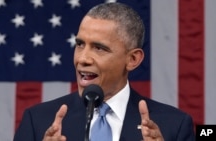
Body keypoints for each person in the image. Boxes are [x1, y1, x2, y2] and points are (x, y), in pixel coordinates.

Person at [13, 2, 195, 141]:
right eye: (80, 44)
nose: (82, 59)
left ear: (132, 59)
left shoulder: (174, 126)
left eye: (99, 48)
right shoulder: (38, 121)